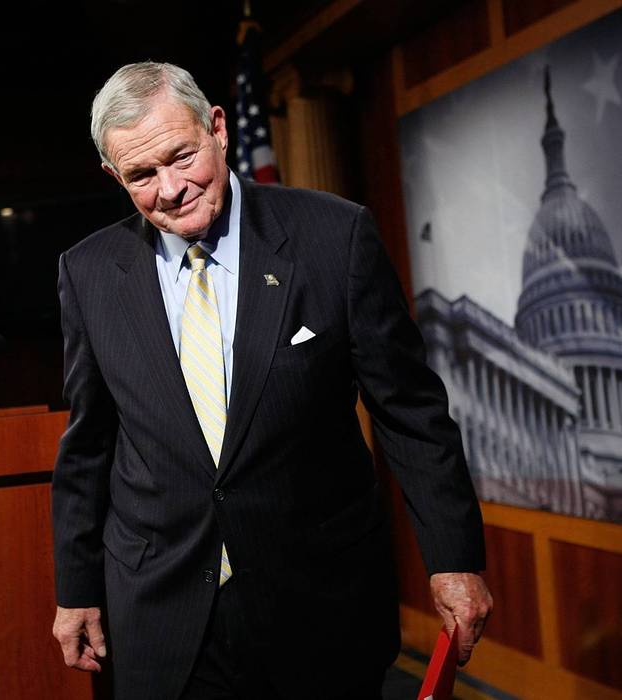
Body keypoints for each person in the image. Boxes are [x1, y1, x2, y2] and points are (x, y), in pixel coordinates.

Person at [51, 61, 492, 700]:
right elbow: (88, 445)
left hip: (318, 602)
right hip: (161, 611)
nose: (171, 189)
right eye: (142, 175)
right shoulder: (88, 272)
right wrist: (76, 590)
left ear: (219, 129)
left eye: (181, 157)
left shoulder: (333, 237)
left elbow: (411, 413)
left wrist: (454, 560)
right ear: (113, 176)